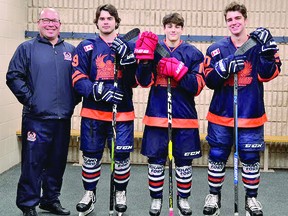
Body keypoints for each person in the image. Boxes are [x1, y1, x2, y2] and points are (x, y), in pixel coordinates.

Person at [202, 2, 281, 216]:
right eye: (229, 19)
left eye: (237, 18)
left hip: (250, 114)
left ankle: (251, 200)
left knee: (250, 158)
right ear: (226, 23)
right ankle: (214, 197)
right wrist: (224, 67)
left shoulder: (258, 45)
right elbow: (209, 80)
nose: (234, 23)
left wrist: (267, 53)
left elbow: (269, 74)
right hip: (221, 115)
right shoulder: (215, 49)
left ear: (245, 20)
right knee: (217, 155)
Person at [6, 8, 76, 216]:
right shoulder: (26, 48)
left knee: (57, 162)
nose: (50, 24)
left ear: (60, 25)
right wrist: (31, 100)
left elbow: (77, 80)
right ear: (39, 23)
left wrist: (72, 102)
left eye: (54, 21)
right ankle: (28, 204)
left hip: (62, 118)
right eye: (46, 20)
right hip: (36, 118)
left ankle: (50, 200)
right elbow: (14, 76)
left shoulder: (70, 50)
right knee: (33, 163)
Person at [134, 13, 205, 216]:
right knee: (155, 162)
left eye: (177, 26)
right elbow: (143, 81)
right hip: (157, 115)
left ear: (182, 29)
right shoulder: (154, 48)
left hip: (184, 117)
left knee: (183, 165)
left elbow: (197, 86)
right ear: (164, 28)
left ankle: (183, 200)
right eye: (169, 26)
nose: (173, 30)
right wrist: (146, 63)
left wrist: (180, 71)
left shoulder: (193, 53)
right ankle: (156, 200)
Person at [71, 4, 138, 216]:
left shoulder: (128, 46)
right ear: (97, 22)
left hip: (122, 114)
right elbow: (77, 77)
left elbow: (136, 81)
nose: (106, 21)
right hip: (93, 114)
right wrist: (97, 90)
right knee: (91, 156)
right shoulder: (86, 46)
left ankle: (120, 193)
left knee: (121, 157)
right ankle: (89, 194)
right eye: (102, 18)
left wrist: (129, 62)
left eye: (110, 18)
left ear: (116, 21)